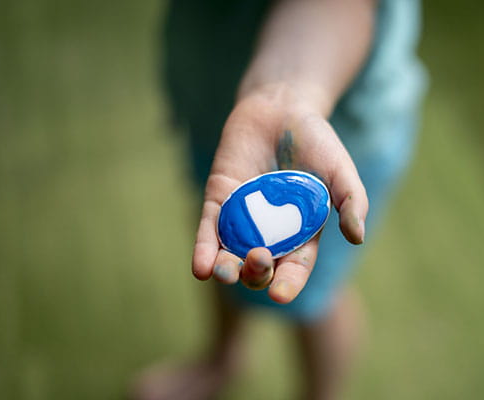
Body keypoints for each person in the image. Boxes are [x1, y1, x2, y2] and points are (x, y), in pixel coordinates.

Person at [132, 0, 426, 398]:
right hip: (224, 118)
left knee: (315, 300)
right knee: (222, 251)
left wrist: (282, 93)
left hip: (324, 141)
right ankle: (222, 357)